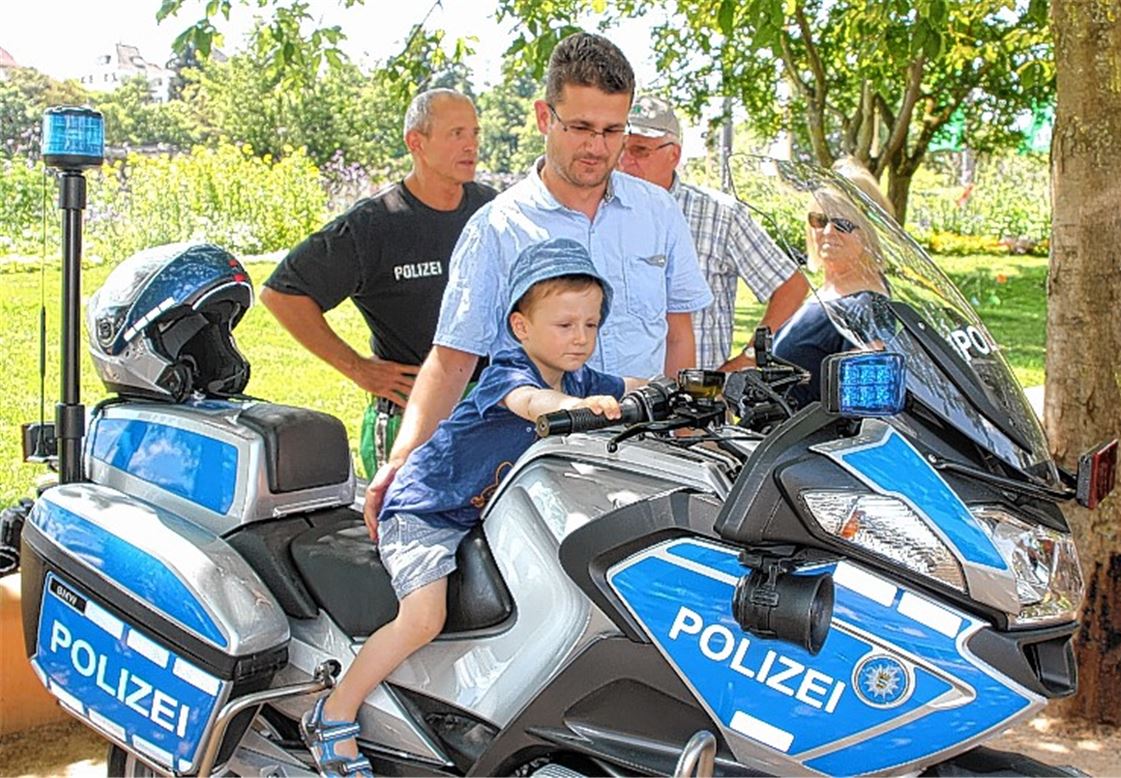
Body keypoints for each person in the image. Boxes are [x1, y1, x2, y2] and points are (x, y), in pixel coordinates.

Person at [301, 239, 638, 776]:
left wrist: (690, 392)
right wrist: (576, 408)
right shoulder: (511, 373)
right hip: (428, 510)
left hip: (484, 516)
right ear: (521, 327)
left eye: (591, 325)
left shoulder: (579, 379)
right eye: (565, 325)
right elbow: (533, 404)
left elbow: (636, 388)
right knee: (423, 616)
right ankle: (336, 710)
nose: (581, 338)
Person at [363, 32, 712, 528]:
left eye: (613, 131)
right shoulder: (498, 226)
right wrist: (402, 461)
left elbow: (679, 334)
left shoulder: (658, 211)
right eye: (581, 127)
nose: (597, 147)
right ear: (544, 117)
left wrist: (684, 433)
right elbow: (453, 359)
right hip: (541, 471)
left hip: (647, 458)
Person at [260, 88, 497, 478]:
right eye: (456, 134)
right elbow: (283, 294)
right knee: (407, 528)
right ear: (415, 142)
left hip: (488, 404)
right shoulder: (374, 224)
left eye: (474, 133)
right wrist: (357, 368)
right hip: (412, 413)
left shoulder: (491, 210)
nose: (471, 145)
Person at [618, 94, 809, 371]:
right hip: (618, 400)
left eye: (639, 150)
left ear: (674, 154)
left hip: (695, 403)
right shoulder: (601, 211)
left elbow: (791, 286)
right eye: (620, 148)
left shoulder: (719, 214)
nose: (624, 161)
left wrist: (747, 360)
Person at [772, 160, 895, 404]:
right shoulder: (830, 291)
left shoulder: (867, 306)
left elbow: (867, 405)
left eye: (843, 224)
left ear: (869, 232)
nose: (828, 231)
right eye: (819, 220)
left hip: (810, 441)